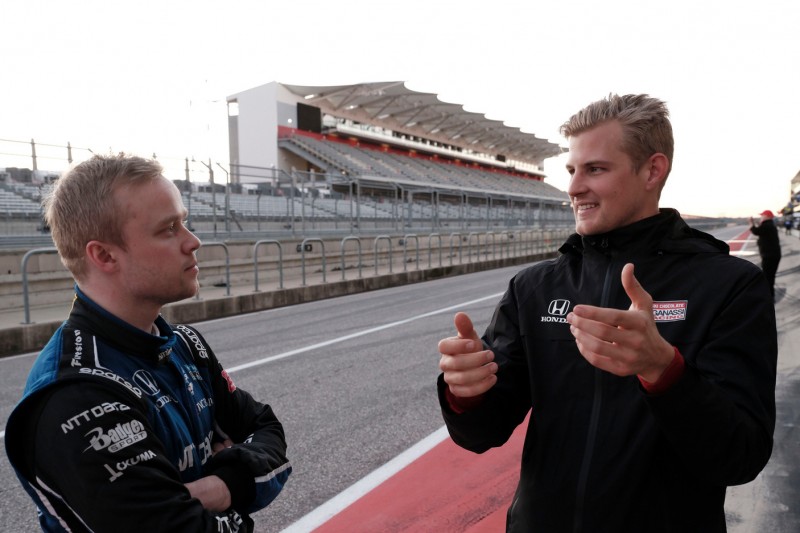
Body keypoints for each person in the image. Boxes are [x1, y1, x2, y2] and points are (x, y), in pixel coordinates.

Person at [436, 94, 777, 532]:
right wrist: (467, 393)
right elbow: (483, 433)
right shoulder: (535, 287)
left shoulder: (728, 286)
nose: (575, 188)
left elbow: (740, 457)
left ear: (653, 170)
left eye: (595, 169)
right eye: (572, 171)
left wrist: (664, 371)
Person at [5, 154, 291, 532]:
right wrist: (242, 484)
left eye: (184, 222)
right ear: (104, 255)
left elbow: (268, 432)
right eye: (169, 229)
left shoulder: (186, 345)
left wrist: (223, 486)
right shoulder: (77, 395)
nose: (193, 241)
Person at [749, 209, 781, 297]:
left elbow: (756, 231)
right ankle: (770, 295)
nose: (761, 217)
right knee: (769, 277)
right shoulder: (769, 225)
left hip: (770, 256)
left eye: (762, 215)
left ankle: (769, 297)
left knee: (767, 277)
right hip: (772, 255)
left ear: (766, 216)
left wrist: (751, 223)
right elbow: (759, 230)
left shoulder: (767, 225)